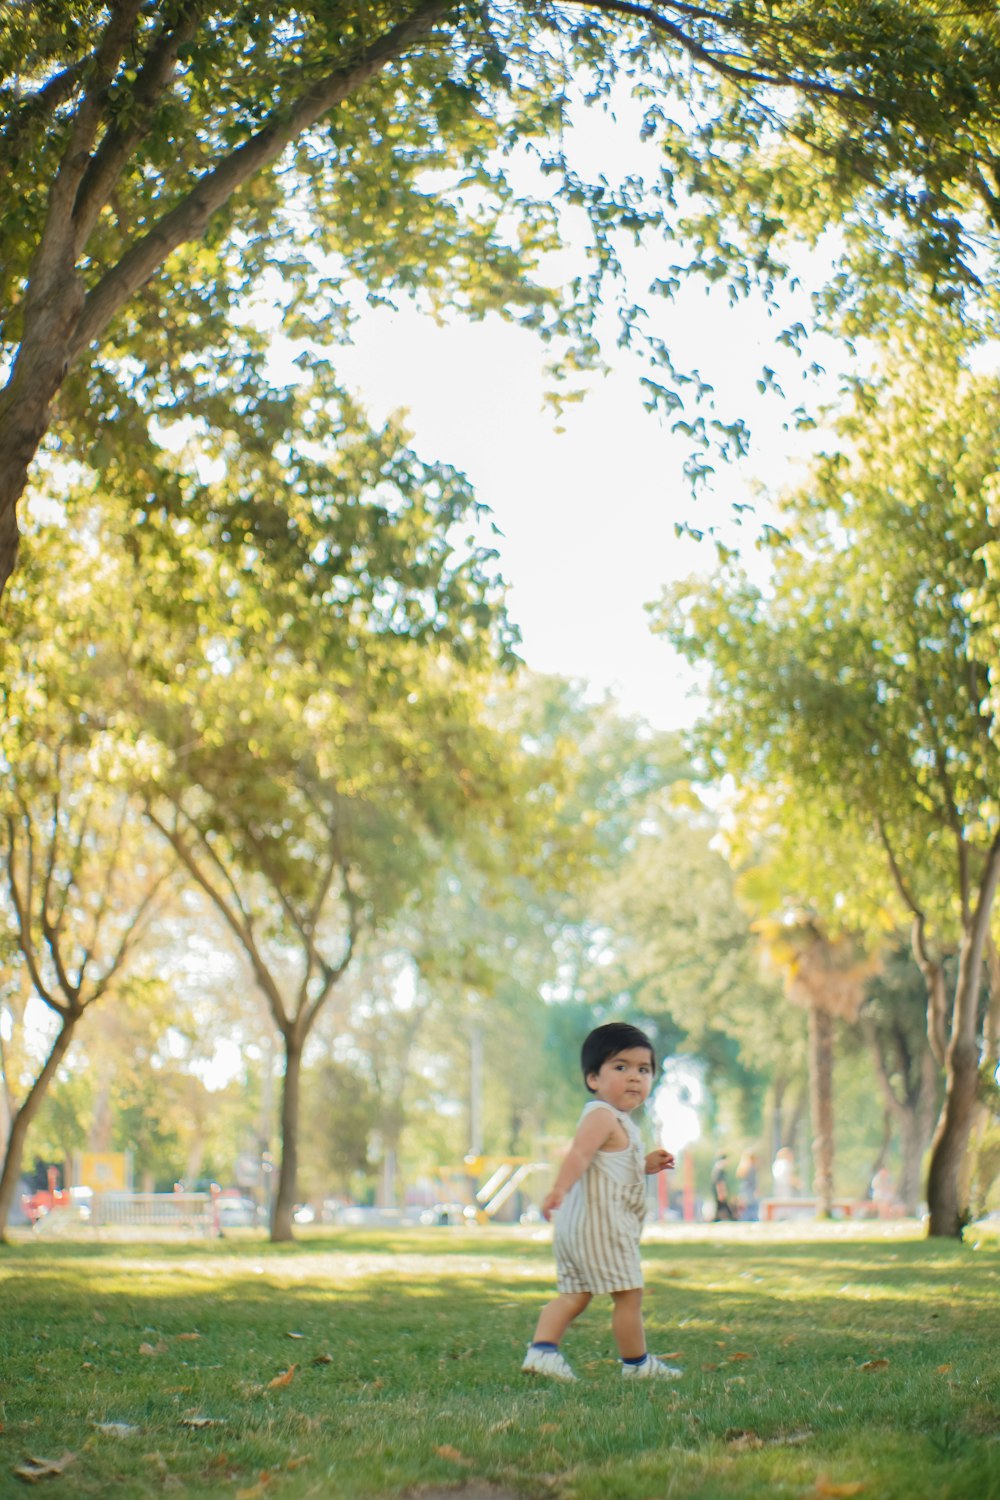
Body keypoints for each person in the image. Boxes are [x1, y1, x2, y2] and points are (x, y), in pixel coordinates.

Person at [521, 1021, 680, 1383]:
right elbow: (579, 1154)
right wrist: (558, 1188)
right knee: (629, 1295)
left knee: (574, 1295)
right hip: (602, 1226)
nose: (634, 1078)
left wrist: (643, 1165)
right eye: (620, 1067)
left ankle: (542, 1352)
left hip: (577, 1228)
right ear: (594, 1078)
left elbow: (607, 1167)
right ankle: (637, 1365)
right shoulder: (602, 1115)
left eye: (644, 1069)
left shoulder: (617, 1121)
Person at [710, 1152, 736, 1221]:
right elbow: (719, 1183)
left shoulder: (717, 1169)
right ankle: (732, 1218)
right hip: (719, 1191)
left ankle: (717, 1219)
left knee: (720, 1207)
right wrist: (721, 1193)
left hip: (718, 1191)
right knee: (723, 1206)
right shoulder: (719, 1170)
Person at [736, 1150, 759, 1221]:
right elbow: (753, 1181)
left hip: (744, 1190)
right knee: (752, 1207)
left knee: (745, 1209)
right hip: (750, 1190)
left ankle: (744, 1220)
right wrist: (756, 1190)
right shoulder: (752, 1167)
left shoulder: (743, 1167)